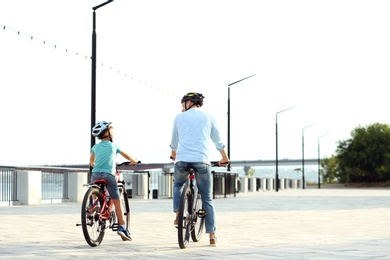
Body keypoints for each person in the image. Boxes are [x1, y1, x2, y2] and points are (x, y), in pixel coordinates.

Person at [169, 92, 230, 247]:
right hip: (202, 161)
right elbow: (217, 140)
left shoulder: (178, 117)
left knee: (177, 185)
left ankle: (178, 213)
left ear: (189, 102)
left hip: (182, 160)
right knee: (207, 198)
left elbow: (174, 141)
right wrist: (224, 157)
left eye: (182, 103)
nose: (181, 107)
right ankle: (212, 235)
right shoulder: (209, 117)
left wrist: (173, 154)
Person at [90, 121, 139, 241]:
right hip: (108, 175)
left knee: (96, 191)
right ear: (107, 133)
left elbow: (92, 161)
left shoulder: (95, 147)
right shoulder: (114, 146)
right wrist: (134, 161)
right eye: (111, 130)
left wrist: (96, 164)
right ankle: (122, 228)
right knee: (117, 200)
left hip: (95, 174)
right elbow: (127, 156)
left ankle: (93, 205)